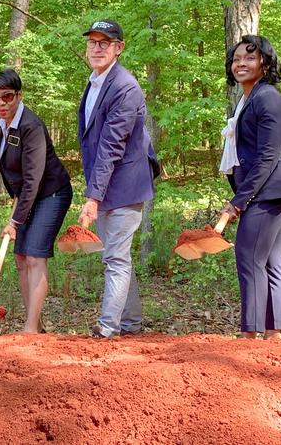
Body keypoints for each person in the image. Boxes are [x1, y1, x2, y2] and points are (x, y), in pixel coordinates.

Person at [77, 20, 158, 339]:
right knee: (117, 255)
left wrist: (92, 197)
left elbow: (111, 145)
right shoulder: (96, 80)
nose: (97, 48)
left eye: (104, 43)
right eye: (92, 42)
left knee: (114, 257)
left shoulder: (125, 86)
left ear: (119, 48)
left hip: (125, 185)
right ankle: (131, 323)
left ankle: (108, 327)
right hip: (107, 184)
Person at [0, 69, 72, 333]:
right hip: (27, 196)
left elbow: (34, 178)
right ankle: (35, 325)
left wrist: (15, 221)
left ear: (19, 95)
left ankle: (30, 330)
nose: (1, 103)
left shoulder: (31, 126)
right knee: (21, 258)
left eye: (8, 97)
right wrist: (17, 210)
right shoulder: (3, 125)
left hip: (51, 193)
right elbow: (15, 174)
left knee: (35, 257)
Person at [220, 35, 281, 340]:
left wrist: (239, 201)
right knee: (272, 263)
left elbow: (268, 155)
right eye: (236, 59)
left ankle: (250, 336)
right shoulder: (248, 98)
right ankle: (272, 335)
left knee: (249, 258)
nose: (240, 64)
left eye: (249, 58)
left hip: (267, 193)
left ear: (265, 63)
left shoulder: (267, 97)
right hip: (270, 192)